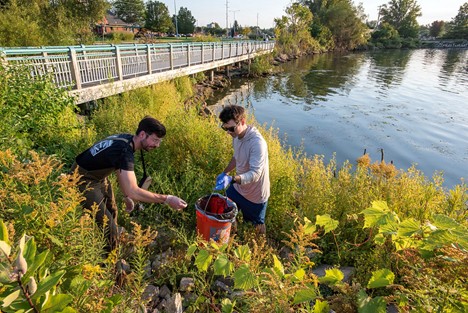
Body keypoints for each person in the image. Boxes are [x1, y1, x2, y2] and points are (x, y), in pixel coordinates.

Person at [71, 116, 187, 251]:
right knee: (108, 226)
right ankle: (109, 262)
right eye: (155, 140)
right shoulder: (124, 150)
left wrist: (127, 196)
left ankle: (108, 242)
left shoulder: (127, 139)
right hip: (83, 178)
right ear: (142, 134)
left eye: (159, 141)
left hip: (98, 175)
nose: (157, 145)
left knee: (112, 210)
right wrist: (167, 199)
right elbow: (133, 190)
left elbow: (117, 166)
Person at [215, 105, 270, 234]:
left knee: (256, 227)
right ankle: (232, 236)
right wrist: (225, 173)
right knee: (227, 212)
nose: (228, 133)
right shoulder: (236, 136)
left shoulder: (257, 143)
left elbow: (255, 174)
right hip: (239, 188)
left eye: (231, 128)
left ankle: (260, 249)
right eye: (225, 129)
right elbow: (236, 157)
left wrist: (231, 179)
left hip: (255, 195)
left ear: (243, 121)